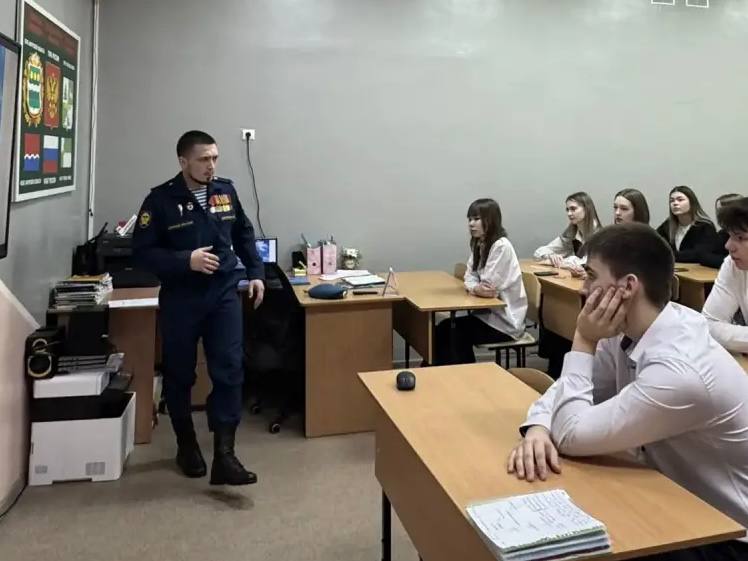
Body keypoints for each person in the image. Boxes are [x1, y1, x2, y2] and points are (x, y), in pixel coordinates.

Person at [506, 223, 748, 561]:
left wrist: (583, 339)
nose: (583, 287)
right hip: (674, 498)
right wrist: (538, 426)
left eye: (591, 276)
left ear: (628, 286)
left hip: (726, 536)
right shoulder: (633, 327)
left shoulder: (681, 370)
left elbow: (573, 434)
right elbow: (574, 387)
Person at [133, 130, 265, 486]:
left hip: (223, 292)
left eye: (215, 158)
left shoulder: (225, 191)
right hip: (182, 297)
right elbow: (142, 253)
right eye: (204, 159)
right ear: (183, 162)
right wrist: (184, 260)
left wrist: (256, 273)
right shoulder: (160, 200)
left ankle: (225, 455)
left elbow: (243, 234)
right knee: (180, 373)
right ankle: (186, 444)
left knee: (230, 369)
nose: (211, 165)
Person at [433, 199, 527, 365]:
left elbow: (489, 285)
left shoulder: (501, 246)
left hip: (505, 323)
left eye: (476, 219)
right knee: (443, 328)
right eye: (469, 219)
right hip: (487, 316)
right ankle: (439, 373)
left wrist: (475, 286)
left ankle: (466, 375)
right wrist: (475, 288)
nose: (471, 224)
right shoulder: (480, 243)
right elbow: (469, 275)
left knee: (454, 332)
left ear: (490, 220)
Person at [702, 197, 748, 352]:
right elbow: (709, 324)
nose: (728, 245)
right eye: (730, 236)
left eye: (740, 238)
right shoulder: (732, 264)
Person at [534, 192, 601, 271]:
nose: (569, 213)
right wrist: (551, 256)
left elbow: (587, 263)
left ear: (586, 209)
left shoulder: (600, 235)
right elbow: (538, 253)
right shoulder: (571, 233)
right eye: (567, 210)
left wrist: (559, 262)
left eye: (573, 209)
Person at [655, 186, 718, 263]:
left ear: (691, 203)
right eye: (671, 201)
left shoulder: (705, 226)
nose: (675, 203)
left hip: (696, 269)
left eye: (680, 200)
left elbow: (699, 254)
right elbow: (654, 243)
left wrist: (667, 255)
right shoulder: (668, 225)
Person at [699, 193, 742, 269]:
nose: (718, 215)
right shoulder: (723, 233)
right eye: (717, 211)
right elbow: (703, 255)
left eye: (721, 211)